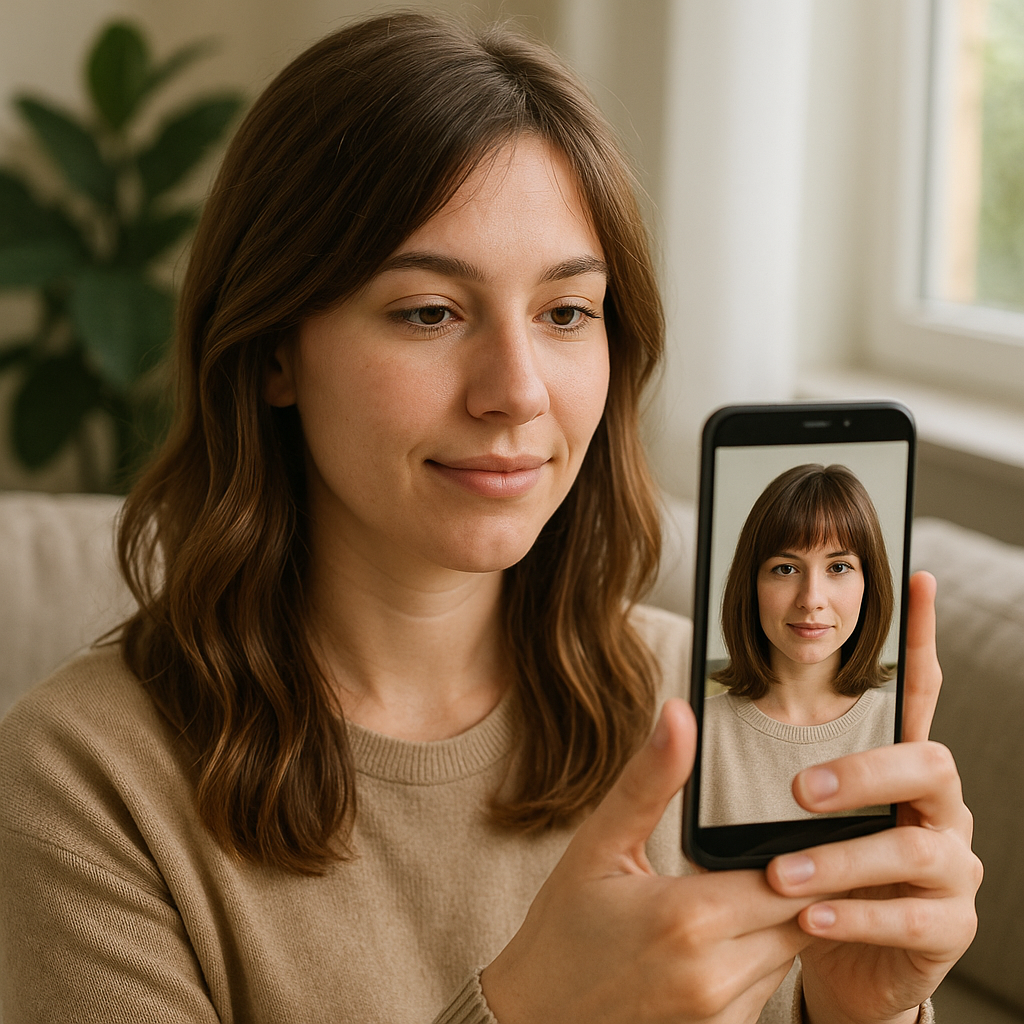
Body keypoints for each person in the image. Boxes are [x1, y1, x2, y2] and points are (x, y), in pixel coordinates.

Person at [0, 13, 979, 1024]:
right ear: (273, 350)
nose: (516, 392)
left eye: (565, 314)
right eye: (430, 311)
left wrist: (858, 1014)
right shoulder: (84, 779)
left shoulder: (707, 716)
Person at [701, 464, 899, 827]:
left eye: (838, 567)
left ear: (869, 585)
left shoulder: (900, 727)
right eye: (786, 569)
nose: (811, 599)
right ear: (752, 586)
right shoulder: (698, 731)